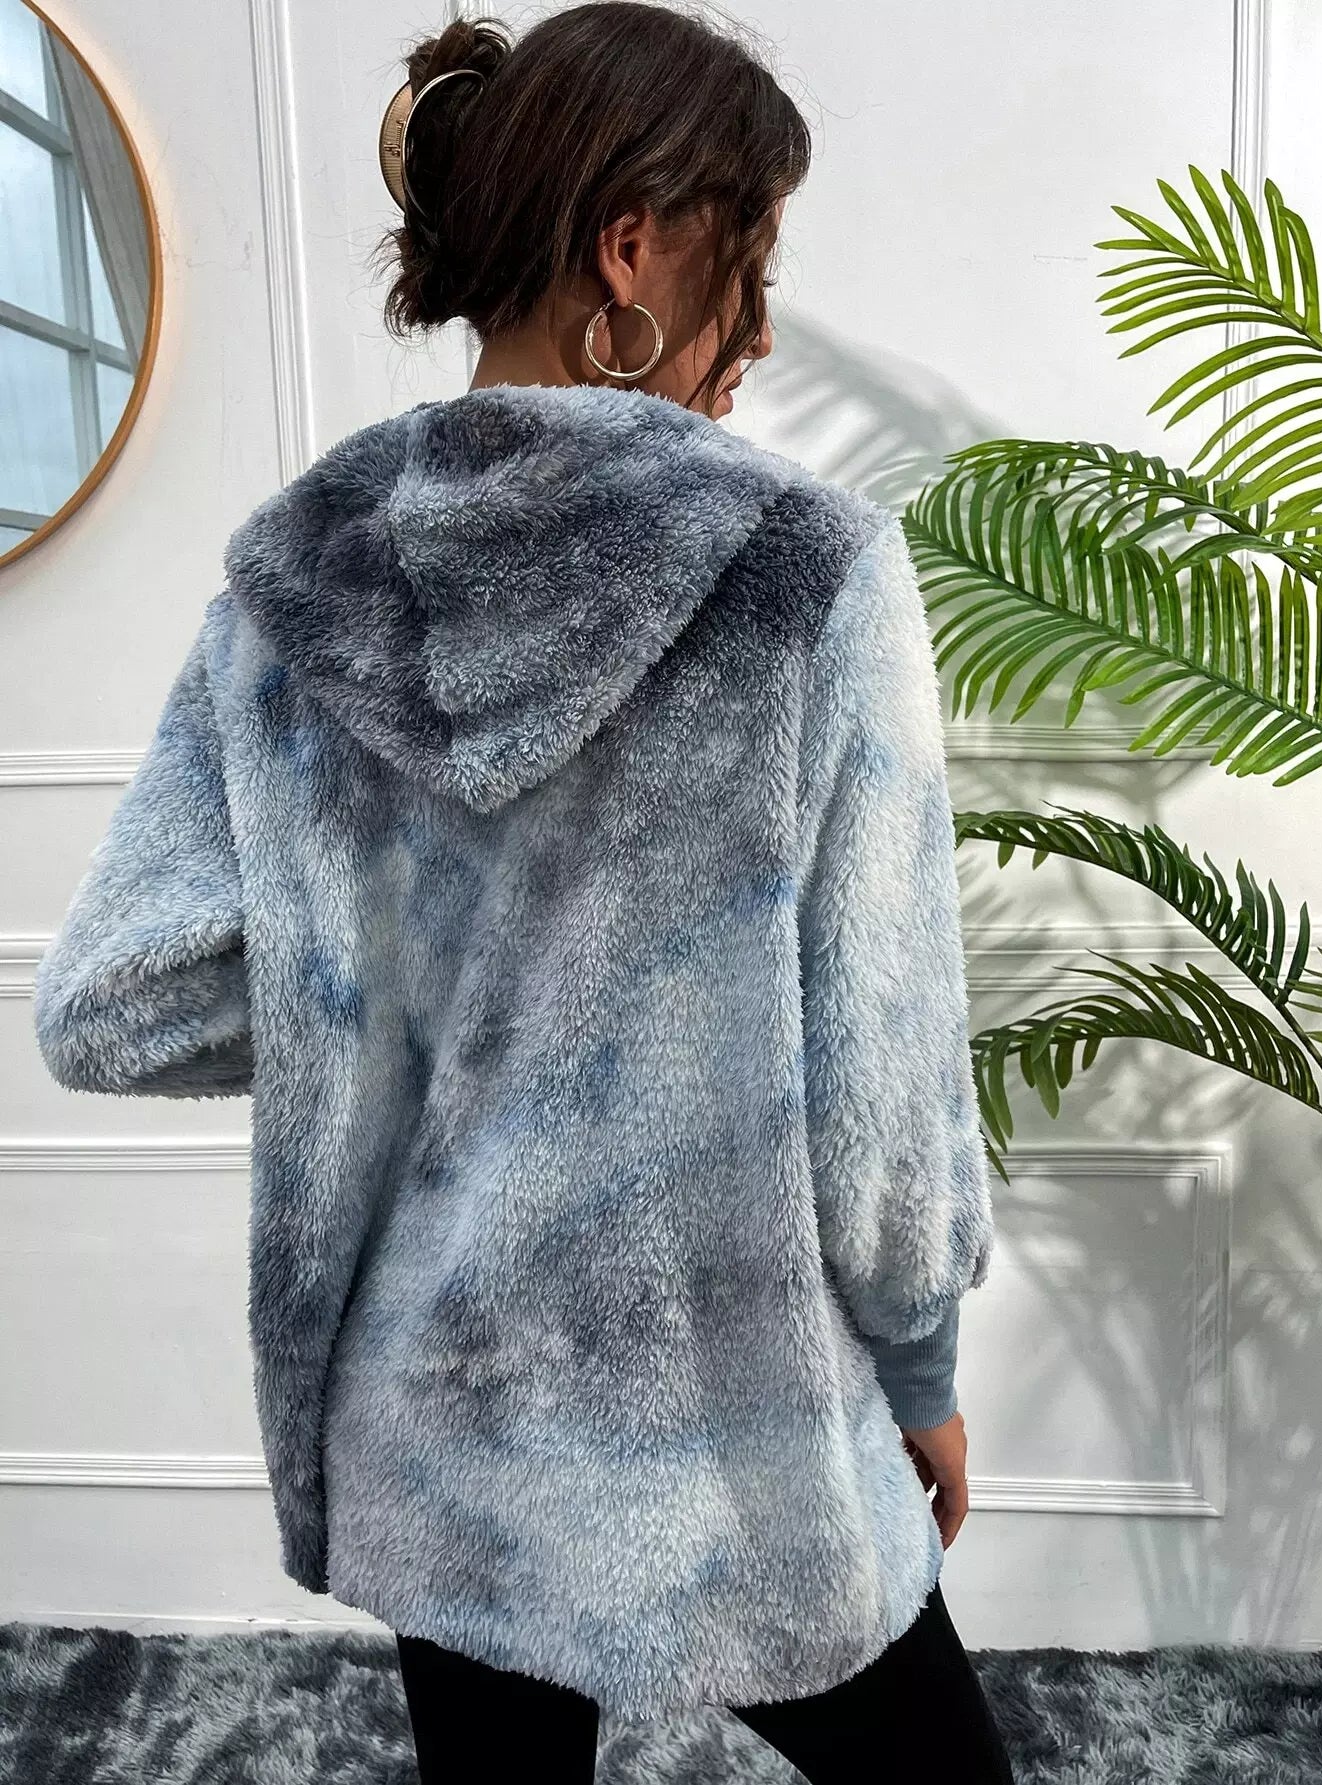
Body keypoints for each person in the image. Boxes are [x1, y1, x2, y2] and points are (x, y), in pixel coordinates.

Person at [31, 3, 1013, 1780]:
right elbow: (885, 1105)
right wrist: (923, 1372)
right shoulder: (806, 575)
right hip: (741, 1443)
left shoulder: (288, 592)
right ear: (633, 246)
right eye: (754, 258)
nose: (762, 328)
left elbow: (116, 1003)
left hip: (449, 1439)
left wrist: (374, 965)